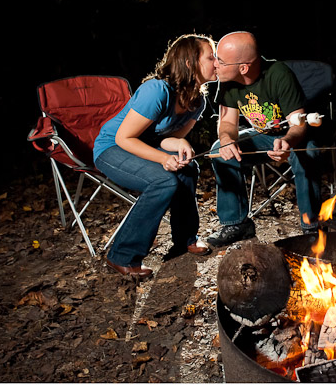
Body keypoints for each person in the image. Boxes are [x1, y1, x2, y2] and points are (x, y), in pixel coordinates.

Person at [93, 34, 216, 279]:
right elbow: (124, 138)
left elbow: (165, 139)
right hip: (111, 148)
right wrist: (162, 159)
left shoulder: (197, 100)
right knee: (163, 181)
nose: (218, 62)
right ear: (190, 63)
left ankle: (185, 238)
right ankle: (122, 255)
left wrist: (180, 143)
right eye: (211, 57)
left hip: (142, 146)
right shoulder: (156, 91)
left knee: (188, 169)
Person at [205, 31, 322, 247]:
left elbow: (298, 124)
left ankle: (311, 228)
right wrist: (226, 140)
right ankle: (237, 224)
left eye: (220, 61)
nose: (215, 65)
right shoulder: (227, 80)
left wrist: (287, 141)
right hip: (263, 137)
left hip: (293, 137)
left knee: (308, 151)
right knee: (218, 151)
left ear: (243, 67)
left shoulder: (278, 74)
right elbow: (228, 123)